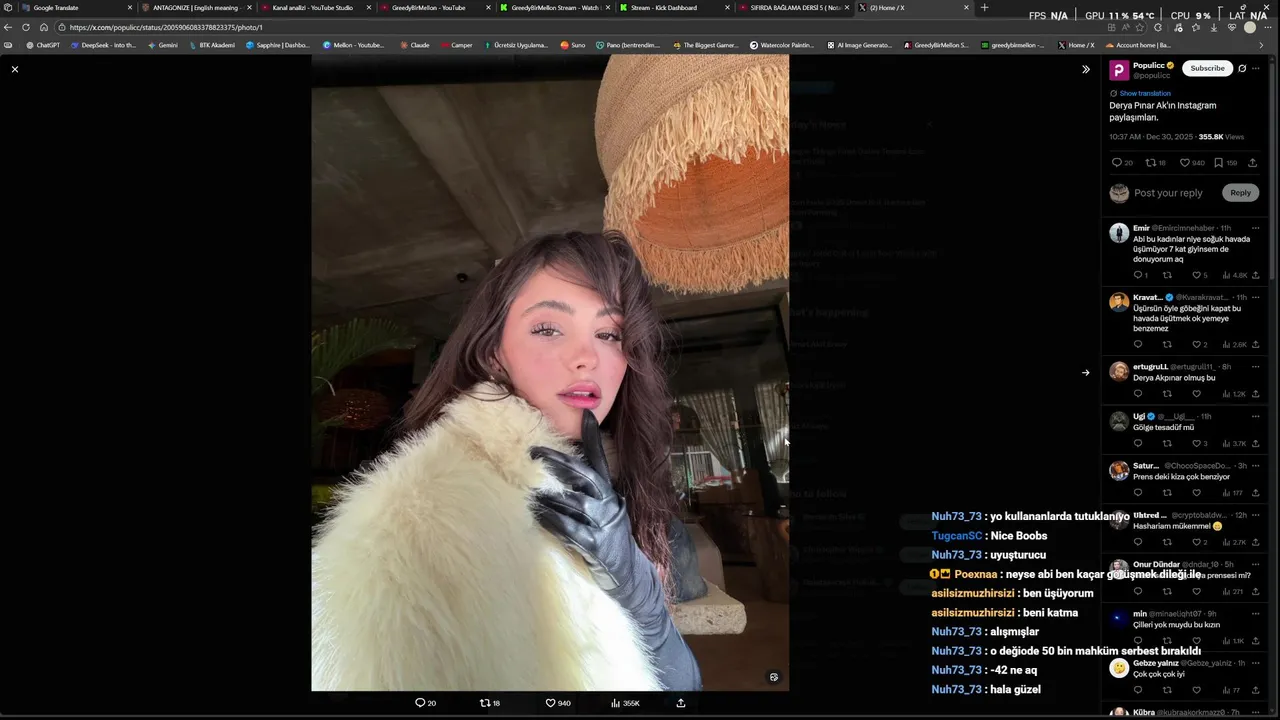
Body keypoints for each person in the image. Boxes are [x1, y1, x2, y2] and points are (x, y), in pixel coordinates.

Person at [311, 231, 702, 692]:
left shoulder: (608, 490)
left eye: (608, 334)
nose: (586, 358)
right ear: (494, 354)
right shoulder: (413, 516)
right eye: (548, 329)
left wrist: (643, 598)